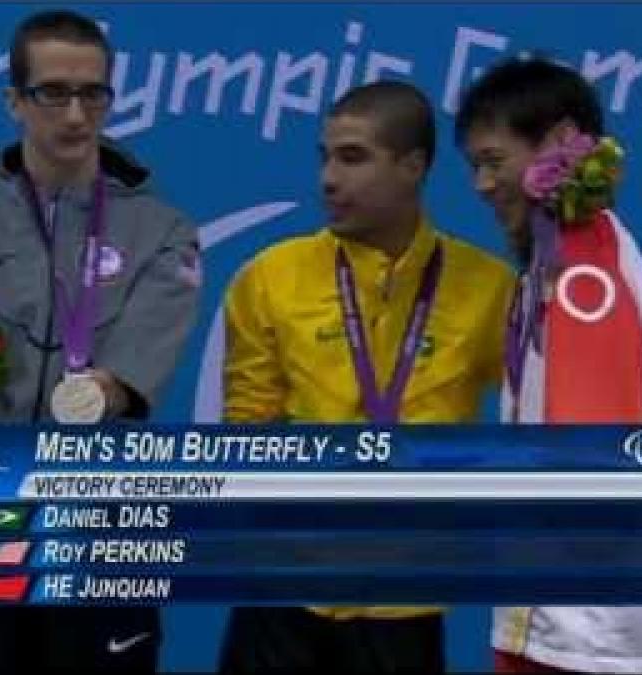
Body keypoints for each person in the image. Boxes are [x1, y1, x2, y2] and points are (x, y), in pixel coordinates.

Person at [0, 9, 201, 672]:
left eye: (93, 93)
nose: (76, 115)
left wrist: (101, 391)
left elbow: (139, 363)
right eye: (53, 92)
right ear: (14, 101)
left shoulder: (166, 232)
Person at [217, 80, 517, 673]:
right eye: (325, 156)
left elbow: (531, 426)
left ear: (413, 166)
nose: (329, 178)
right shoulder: (269, 276)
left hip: (402, 601)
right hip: (282, 595)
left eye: (353, 157)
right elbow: (246, 428)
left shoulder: (490, 289)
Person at [454, 56, 642, 673]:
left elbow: (598, 459)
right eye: (474, 166)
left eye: (493, 162)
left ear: (558, 144)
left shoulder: (584, 272)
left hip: (590, 638)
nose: (480, 185)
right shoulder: (563, 257)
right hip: (568, 620)